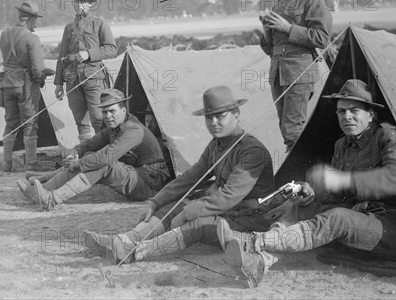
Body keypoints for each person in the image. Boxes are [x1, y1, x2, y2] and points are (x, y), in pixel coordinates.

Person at [218, 79, 396, 288]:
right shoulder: (342, 145)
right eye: (341, 112)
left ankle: (253, 242)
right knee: (303, 207)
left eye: (354, 111)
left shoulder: (388, 137)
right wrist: (312, 192)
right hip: (360, 220)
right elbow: (338, 196)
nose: (347, 117)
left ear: (370, 114)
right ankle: (260, 261)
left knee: (338, 218)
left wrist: (342, 179)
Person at [85, 86, 275, 263]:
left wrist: (189, 212)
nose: (214, 123)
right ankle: (126, 239)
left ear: (236, 115)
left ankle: (134, 252)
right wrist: (156, 201)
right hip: (229, 211)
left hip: (251, 218)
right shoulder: (217, 145)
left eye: (220, 116)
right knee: (175, 205)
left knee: (197, 223)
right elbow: (190, 177)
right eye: (209, 118)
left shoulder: (251, 151)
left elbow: (229, 196)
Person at [17, 89, 173, 210]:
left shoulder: (133, 130)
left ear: (123, 111)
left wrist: (77, 163)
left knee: (103, 163)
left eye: (112, 111)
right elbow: (88, 145)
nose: (108, 116)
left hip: (149, 185)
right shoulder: (114, 128)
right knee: (90, 156)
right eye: (104, 112)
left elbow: (105, 158)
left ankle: (51, 199)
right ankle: (43, 189)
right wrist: (74, 153)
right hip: (136, 175)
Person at [259, 0, 332, 152]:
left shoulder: (311, 2)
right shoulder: (277, 6)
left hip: (300, 72)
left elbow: (322, 38)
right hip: (278, 73)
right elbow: (271, 49)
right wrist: (266, 32)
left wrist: (288, 28)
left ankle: (299, 178)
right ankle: (297, 176)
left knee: (292, 130)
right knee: (286, 128)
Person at [54, 0, 117, 142]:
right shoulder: (69, 28)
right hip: (72, 79)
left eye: (83, 2)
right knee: (80, 122)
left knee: (99, 119)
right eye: (76, 2)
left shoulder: (99, 24)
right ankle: (87, 154)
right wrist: (59, 83)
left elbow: (111, 49)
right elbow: (62, 56)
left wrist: (88, 53)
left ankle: (104, 154)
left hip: (94, 79)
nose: (79, 5)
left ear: (90, 4)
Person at [0, 1, 45, 172]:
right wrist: (40, 79)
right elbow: (38, 68)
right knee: (30, 123)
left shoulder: (4, 35)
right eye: (36, 19)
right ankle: (30, 163)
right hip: (25, 86)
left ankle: (6, 163)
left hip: (6, 84)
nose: (37, 24)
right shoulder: (32, 38)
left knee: (10, 122)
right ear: (31, 19)